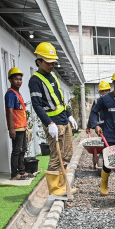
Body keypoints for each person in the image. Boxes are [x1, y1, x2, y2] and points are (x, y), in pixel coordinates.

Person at [28, 42, 78, 196]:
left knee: (67, 154)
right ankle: (54, 189)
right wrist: (49, 123)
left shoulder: (53, 76)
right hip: (53, 122)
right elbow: (37, 105)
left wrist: (69, 114)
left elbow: (60, 99)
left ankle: (63, 186)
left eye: (53, 62)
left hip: (63, 119)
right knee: (56, 156)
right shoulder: (35, 81)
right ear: (39, 62)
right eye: (48, 63)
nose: (52, 65)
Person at [5, 67, 28, 180]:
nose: (19, 81)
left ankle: (22, 171)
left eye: (20, 79)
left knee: (22, 149)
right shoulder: (10, 94)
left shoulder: (18, 93)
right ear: (10, 80)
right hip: (16, 127)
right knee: (16, 151)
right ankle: (14, 174)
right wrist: (11, 128)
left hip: (22, 127)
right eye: (16, 79)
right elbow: (9, 111)